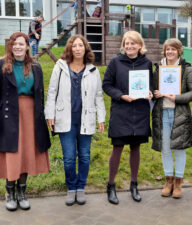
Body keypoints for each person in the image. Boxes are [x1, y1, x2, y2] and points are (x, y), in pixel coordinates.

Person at [45, 34, 106, 206]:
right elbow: (51, 92)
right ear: (70, 48)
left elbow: (99, 96)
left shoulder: (93, 70)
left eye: (81, 45)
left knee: (85, 156)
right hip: (65, 119)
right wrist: (50, 115)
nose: (78, 49)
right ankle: (71, 187)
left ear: (86, 48)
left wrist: (101, 118)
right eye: (74, 46)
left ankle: (81, 187)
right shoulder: (60, 67)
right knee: (70, 157)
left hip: (86, 119)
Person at [0, 32, 51, 211]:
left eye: (21, 44)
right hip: (9, 114)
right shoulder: (2, 65)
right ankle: (10, 193)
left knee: (27, 153)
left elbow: (40, 94)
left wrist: (42, 117)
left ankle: (22, 193)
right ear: (10, 46)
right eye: (14, 44)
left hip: (31, 115)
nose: (18, 47)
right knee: (14, 154)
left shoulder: (36, 67)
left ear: (27, 46)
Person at [102, 31, 153, 205]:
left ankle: (134, 185)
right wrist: (121, 95)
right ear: (123, 45)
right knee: (117, 147)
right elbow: (106, 85)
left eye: (133, 43)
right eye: (126, 43)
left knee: (135, 148)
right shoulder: (115, 62)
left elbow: (151, 86)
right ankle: (110, 185)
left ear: (140, 45)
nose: (129, 46)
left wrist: (149, 93)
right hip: (121, 111)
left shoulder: (147, 63)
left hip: (139, 112)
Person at [152, 38, 192, 199]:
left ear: (179, 51)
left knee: (179, 149)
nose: (170, 52)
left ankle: (178, 183)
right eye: (167, 49)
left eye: (173, 49)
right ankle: (168, 181)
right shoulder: (158, 68)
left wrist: (177, 97)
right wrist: (155, 93)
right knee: (165, 149)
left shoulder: (186, 69)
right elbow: (152, 89)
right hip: (162, 113)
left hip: (179, 113)